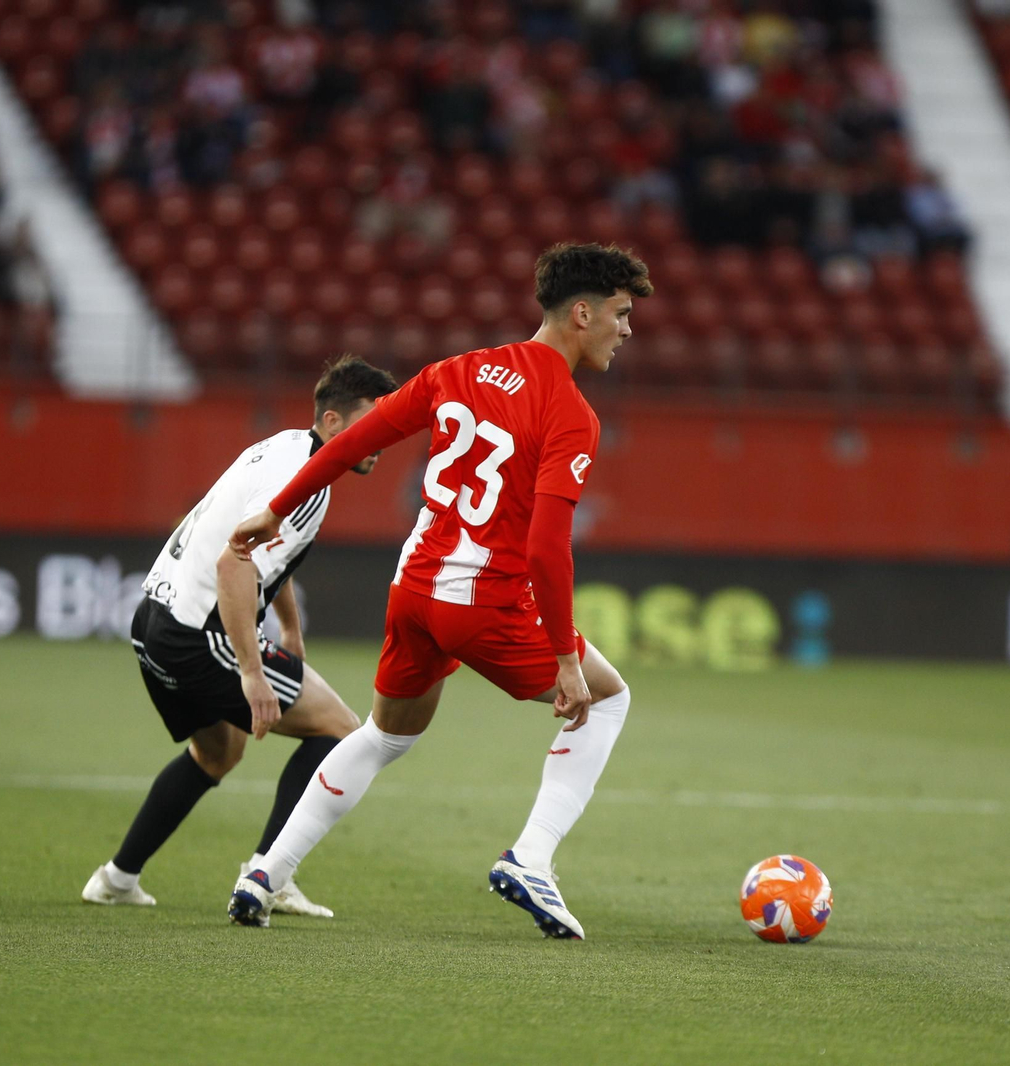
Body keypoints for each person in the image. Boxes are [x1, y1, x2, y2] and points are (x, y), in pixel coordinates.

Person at [226, 243, 651, 939]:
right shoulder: (570, 413)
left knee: (383, 736)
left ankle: (266, 872)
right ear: (583, 313)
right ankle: (532, 858)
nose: (627, 329)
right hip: (484, 602)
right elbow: (546, 548)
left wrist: (277, 508)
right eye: (621, 313)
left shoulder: (458, 369)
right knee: (607, 698)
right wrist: (565, 658)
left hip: (414, 589)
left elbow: (350, 441)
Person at [83, 355, 398, 918]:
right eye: (370, 425)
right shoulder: (305, 483)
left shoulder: (283, 448)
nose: (381, 440)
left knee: (216, 753)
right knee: (340, 731)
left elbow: (263, 551)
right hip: (200, 634)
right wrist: (253, 673)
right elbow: (235, 565)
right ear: (332, 421)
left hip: (152, 622)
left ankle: (117, 878)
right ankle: (267, 875)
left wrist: (290, 629)